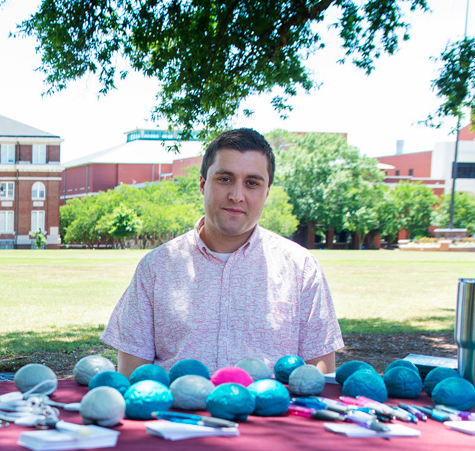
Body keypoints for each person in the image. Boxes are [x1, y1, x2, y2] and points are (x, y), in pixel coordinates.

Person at [101, 128, 343, 376]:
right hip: (175, 415)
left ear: (266, 192)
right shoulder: (155, 267)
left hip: (272, 413)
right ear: (203, 184)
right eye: (225, 179)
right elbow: (131, 375)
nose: (237, 196)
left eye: (252, 183)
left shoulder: (301, 268)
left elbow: (320, 376)